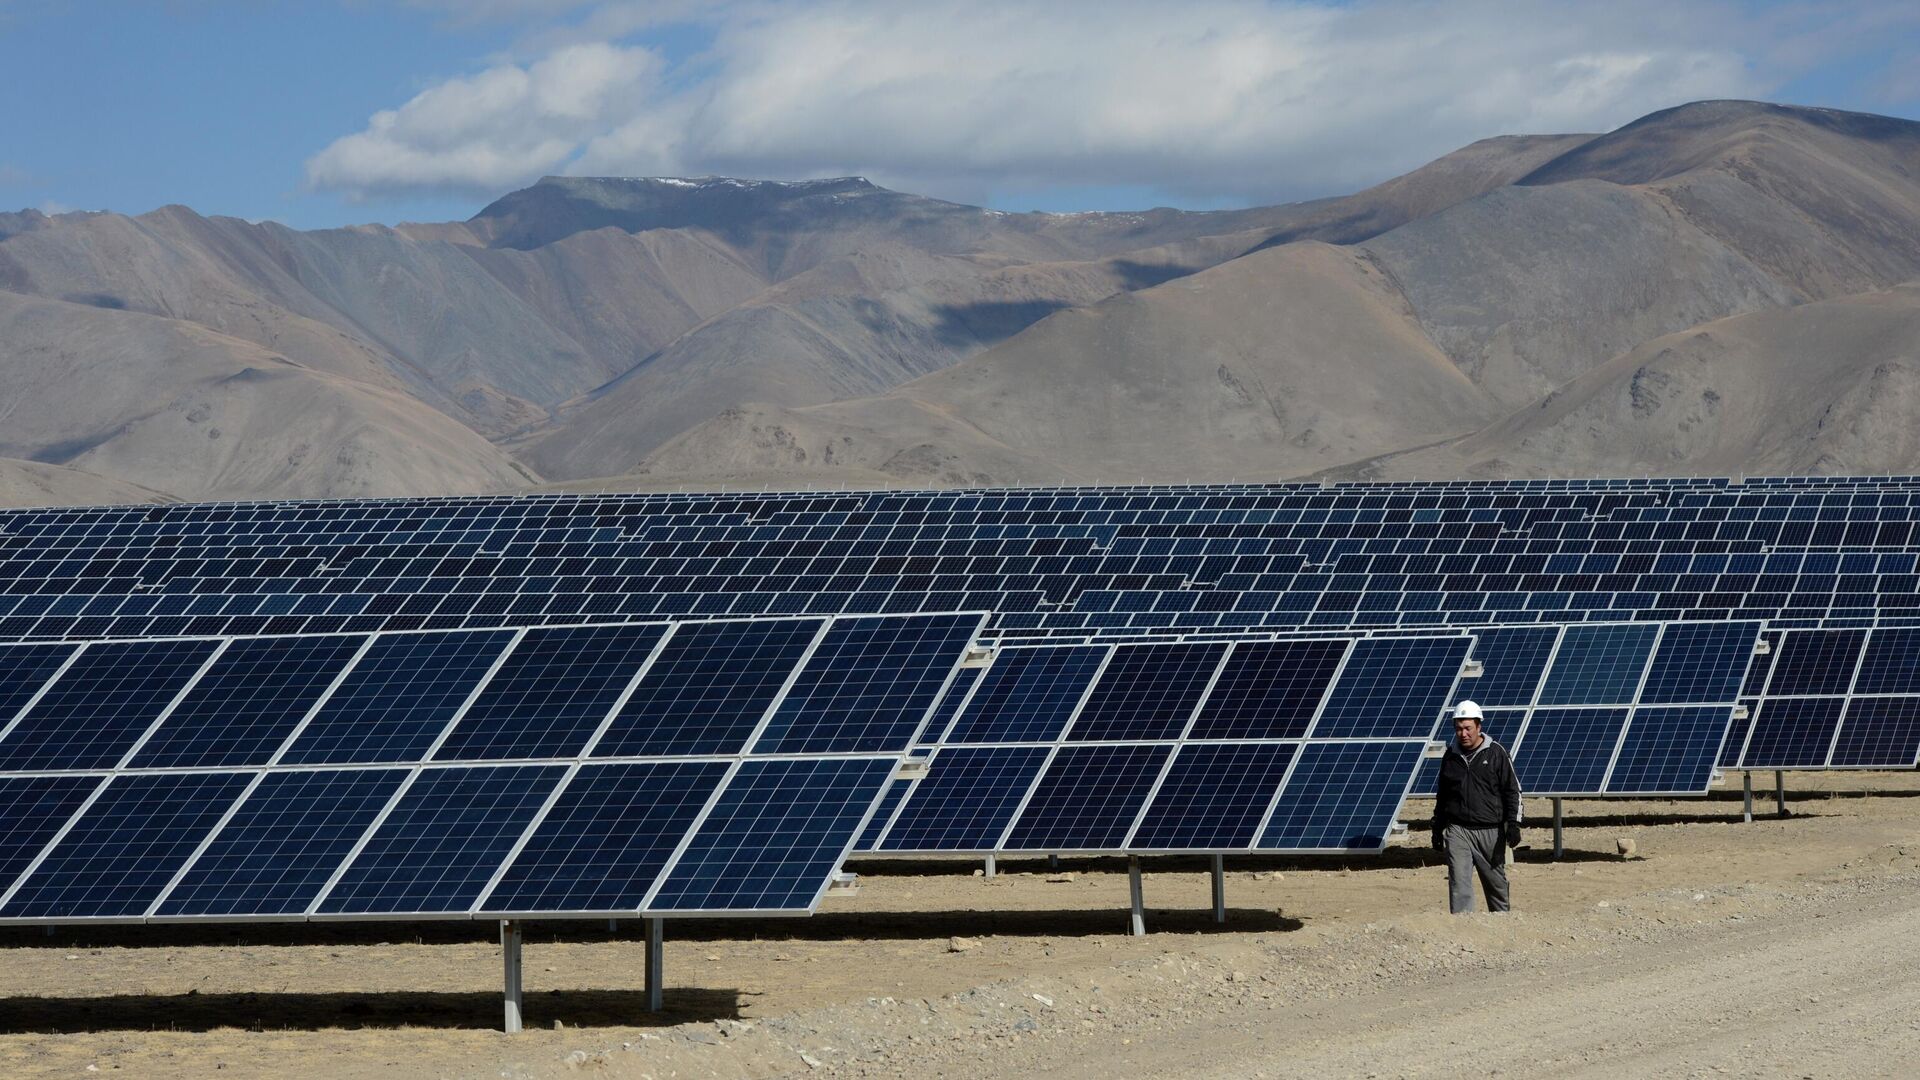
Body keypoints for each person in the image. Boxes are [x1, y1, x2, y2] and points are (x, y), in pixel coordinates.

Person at [1431, 700, 1522, 913]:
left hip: (1490, 831)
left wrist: (1514, 823)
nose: (1463, 733)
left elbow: (1513, 790)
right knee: (1459, 883)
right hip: (1458, 830)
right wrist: (1437, 826)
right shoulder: (1450, 756)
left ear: (1479, 727)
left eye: (1468, 728)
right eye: (1459, 728)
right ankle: (1463, 929)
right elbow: (1443, 795)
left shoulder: (1496, 753)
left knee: (1496, 885)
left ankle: (1502, 924)